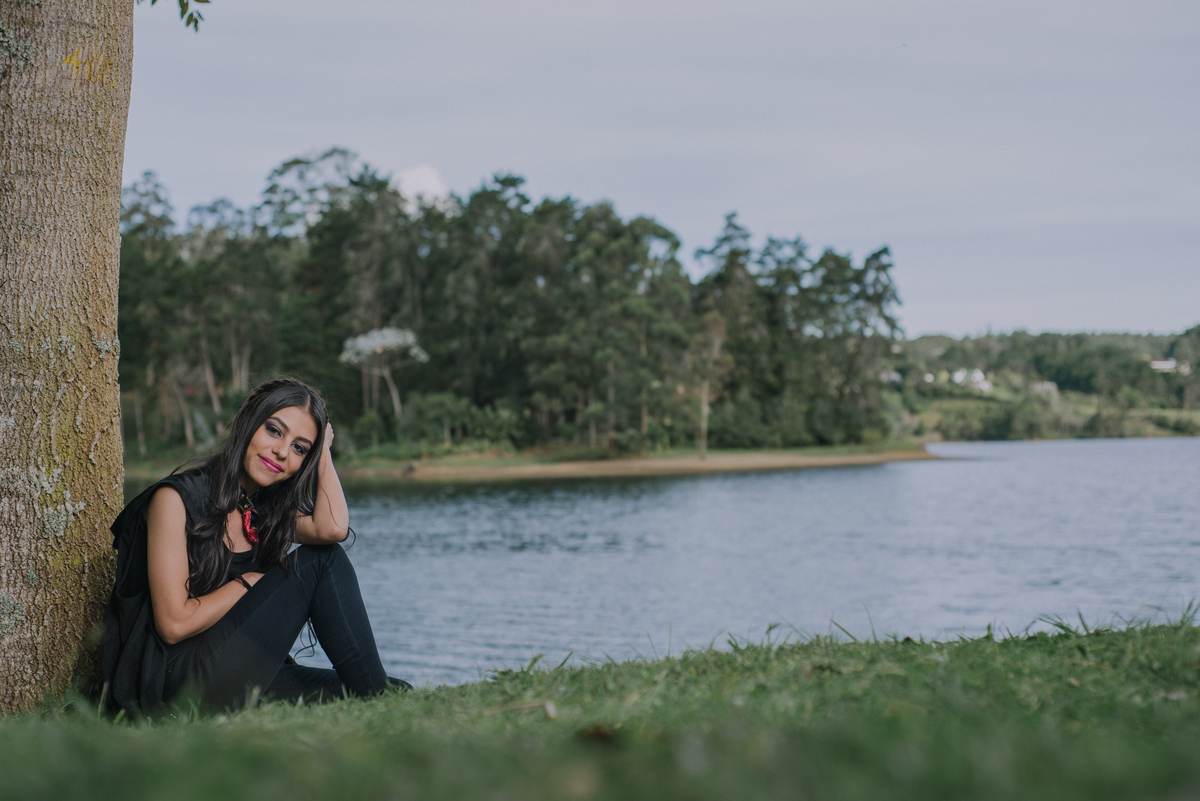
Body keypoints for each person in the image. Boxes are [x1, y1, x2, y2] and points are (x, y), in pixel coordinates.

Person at [102, 378, 407, 716]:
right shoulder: (174, 499)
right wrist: (250, 581)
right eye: (275, 431)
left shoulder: (264, 509)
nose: (282, 451)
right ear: (247, 423)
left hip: (239, 669)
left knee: (396, 690)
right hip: (176, 682)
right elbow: (173, 625)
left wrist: (323, 456)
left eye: (299, 448)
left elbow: (332, 528)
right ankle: (379, 705)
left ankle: (379, 701)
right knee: (320, 564)